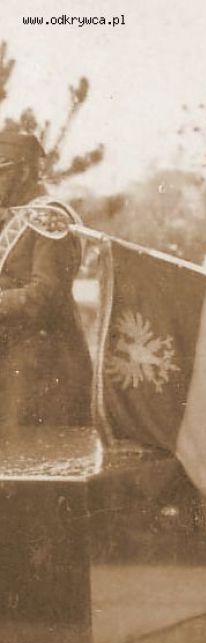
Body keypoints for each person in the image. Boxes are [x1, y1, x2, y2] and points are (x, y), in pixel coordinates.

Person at [0, 131, 92, 428]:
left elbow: (45, 295)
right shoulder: (9, 217)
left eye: (1, 172)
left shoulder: (50, 218)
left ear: (25, 171)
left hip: (42, 369)